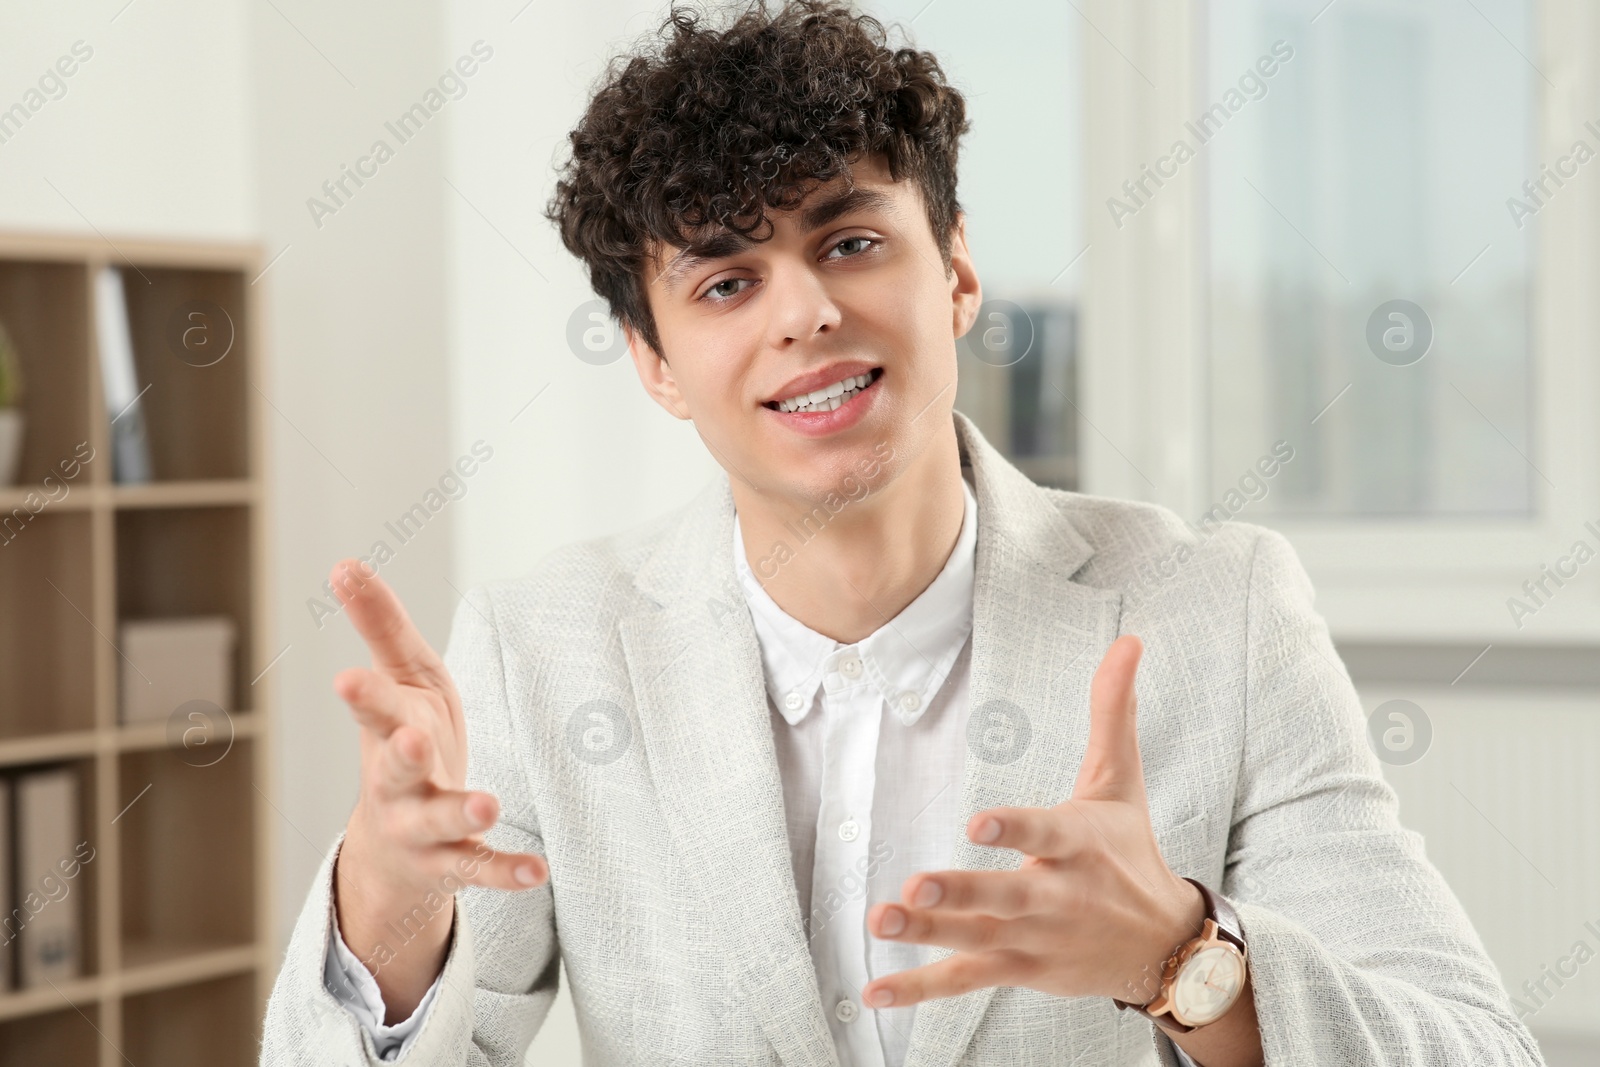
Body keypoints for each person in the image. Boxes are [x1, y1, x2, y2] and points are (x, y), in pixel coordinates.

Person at [261, 2, 1545, 1064]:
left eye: (852, 240)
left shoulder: (1223, 609)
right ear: (654, 361)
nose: (806, 312)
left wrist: (1181, 957)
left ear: (958, 273)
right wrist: (388, 893)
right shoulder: (546, 648)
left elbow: (1474, 1048)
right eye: (724, 281)